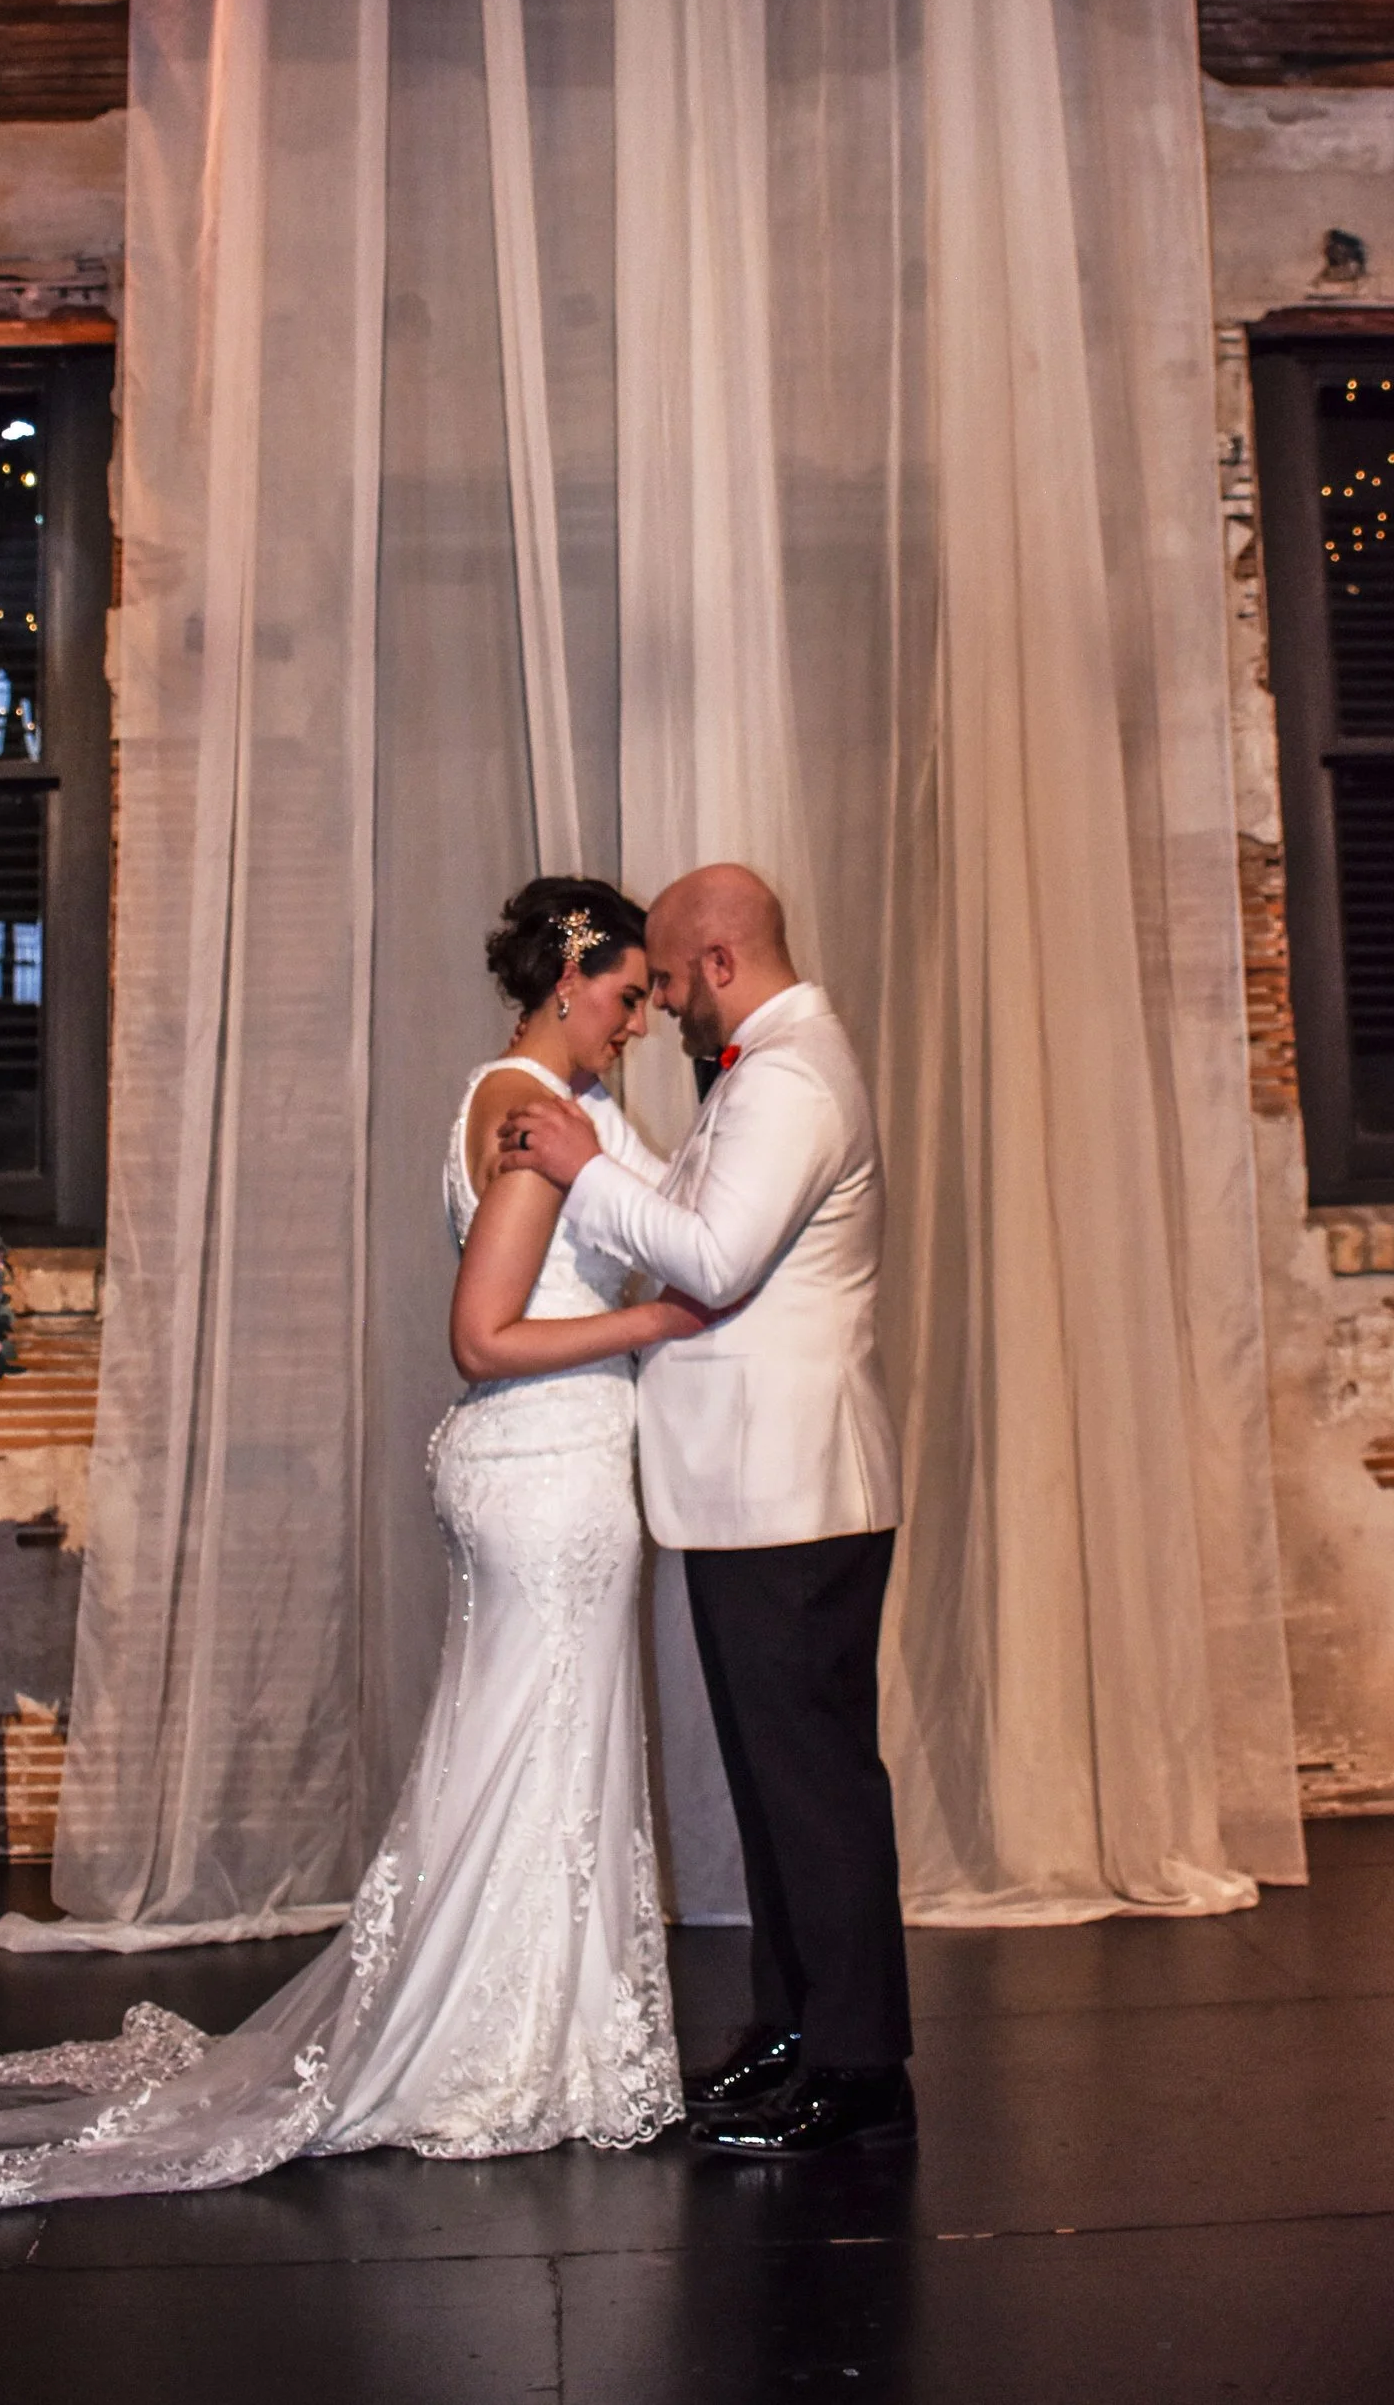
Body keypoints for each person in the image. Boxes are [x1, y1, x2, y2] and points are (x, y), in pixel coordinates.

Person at [0, 875, 705, 2218]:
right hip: (543, 1461)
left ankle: (536, 2033)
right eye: (629, 991)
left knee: (531, 1747)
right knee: (531, 1750)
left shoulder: (547, 1104)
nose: (640, 1017)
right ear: (571, 974)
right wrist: (655, 1325)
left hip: (554, 1463)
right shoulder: (532, 1110)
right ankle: (496, 2048)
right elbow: (485, 1332)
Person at [500, 863, 912, 2157]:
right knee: (775, 1787)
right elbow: (700, 1213)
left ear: (720, 963)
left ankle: (856, 2070)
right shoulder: (766, 1067)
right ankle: (793, 2030)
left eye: (671, 983)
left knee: (816, 1789)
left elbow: (720, 1260)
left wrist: (580, 1159)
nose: (663, 1010)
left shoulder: (788, 1076)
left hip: (791, 1492)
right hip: (757, 1493)